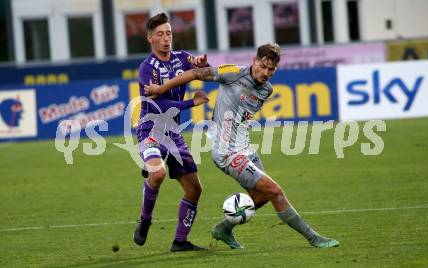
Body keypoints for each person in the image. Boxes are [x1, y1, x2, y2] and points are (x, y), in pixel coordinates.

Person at [144, 43, 340, 249]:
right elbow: (195, 73)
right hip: (227, 152)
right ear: (254, 61)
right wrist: (161, 88)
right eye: (262, 66)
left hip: (245, 148)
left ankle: (224, 228)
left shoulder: (267, 89)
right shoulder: (233, 73)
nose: (265, 72)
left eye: (271, 69)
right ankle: (313, 238)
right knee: (275, 190)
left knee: (262, 196)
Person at [133, 12, 210, 252]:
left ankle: (180, 241)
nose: (166, 38)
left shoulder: (180, 58)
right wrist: (191, 104)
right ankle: (145, 219)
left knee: (195, 189)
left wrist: (201, 63)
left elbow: (200, 67)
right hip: (151, 129)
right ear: (150, 39)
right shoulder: (147, 69)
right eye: (160, 34)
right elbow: (159, 106)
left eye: (169, 33)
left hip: (174, 133)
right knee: (157, 175)